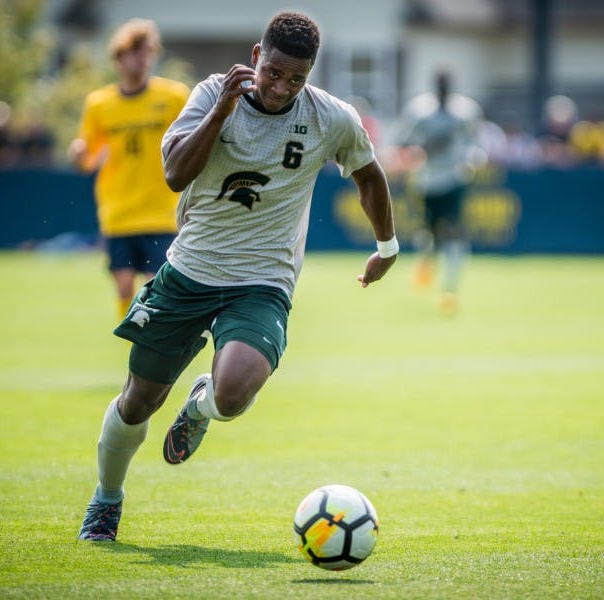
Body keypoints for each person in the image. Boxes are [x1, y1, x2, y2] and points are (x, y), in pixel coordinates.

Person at [77, 11, 398, 542]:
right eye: (273, 72)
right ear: (255, 57)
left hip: (264, 282)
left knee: (233, 393)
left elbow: (369, 174)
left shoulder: (330, 118)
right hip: (190, 272)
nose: (281, 87)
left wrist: (386, 245)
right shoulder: (209, 94)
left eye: (296, 78)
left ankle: (200, 405)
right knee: (138, 401)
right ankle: (107, 499)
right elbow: (176, 174)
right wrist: (223, 108)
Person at [68, 19, 190, 319]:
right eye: (134, 51)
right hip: (118, 212)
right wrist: (79, 154)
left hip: (161, 211)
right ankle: (133, 338)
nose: (142, 58)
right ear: (118, 57)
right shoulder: (99, 104)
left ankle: (153, 338)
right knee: (124, 286)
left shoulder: (173, 96)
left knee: (155, 286)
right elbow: (86, 159)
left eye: (147, 51)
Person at [395, 69, 482, 314]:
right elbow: (403, 140)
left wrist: (472, 161)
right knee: (430, 234)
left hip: (454, 178)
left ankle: (450, 289)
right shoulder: (420, 111)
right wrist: (421, 150)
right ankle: (427, 262)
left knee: (454, 231)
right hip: (427, 180)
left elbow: (475, 141)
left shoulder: (465, 111)